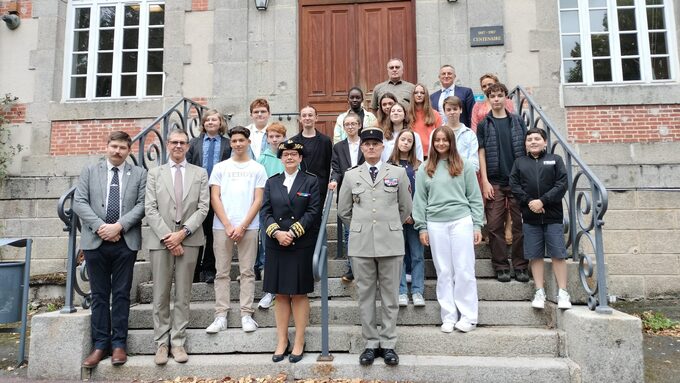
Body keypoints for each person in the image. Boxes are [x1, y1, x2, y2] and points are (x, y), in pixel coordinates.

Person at [338, 127, 412, 367]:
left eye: (375, 144)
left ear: (382, 147)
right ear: (361, 147)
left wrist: (387, 226)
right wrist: (364, 227)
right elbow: (343, 211)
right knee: (366, 297)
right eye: (366, 144)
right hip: (361, 245)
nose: (371, 147)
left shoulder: (398, 173)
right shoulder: (351, 175)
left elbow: (405, 208)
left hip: (390, 243)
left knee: (390, 297)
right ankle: (371, 343)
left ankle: (388, 343)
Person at [73, 131, 146, 368]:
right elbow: (79, 202)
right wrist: (101, 227)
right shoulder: (90, 171)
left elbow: (143, 205)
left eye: (122, 148)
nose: (117, 151)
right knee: (99, 295)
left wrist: (119, 227)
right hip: (95, 241)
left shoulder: (139, 174)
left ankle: (119, 345)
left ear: (129, 150)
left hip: (125, 243)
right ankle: (100, 345)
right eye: (114, 146)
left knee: (122, 294)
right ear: (107, 147)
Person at [145, 129, 210, 365]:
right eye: (174, 142)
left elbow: (204, 208)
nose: (178, 146)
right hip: (160, 241)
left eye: (183, 142)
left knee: (183, 294)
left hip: (190, 239)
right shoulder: (154, 173)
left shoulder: (200, 173)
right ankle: (161, 343)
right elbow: (150, 209)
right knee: (161, 293)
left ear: (188, 147)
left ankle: (178, 342)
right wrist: (168, 237)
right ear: (167, 144)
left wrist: (182, 234)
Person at [413, 126, 484, 333]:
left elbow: (474, 197)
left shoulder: (464, 165)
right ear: (433, 143)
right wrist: (422, 227)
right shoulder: (424, 168)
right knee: (443, 270)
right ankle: (449, 316)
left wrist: (477, 224)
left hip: (461, 220)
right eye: (437, 140)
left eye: (445, 140)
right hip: (436, 223)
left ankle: (469, 316)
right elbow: (420, 201)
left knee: (464, 268)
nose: (441, 143)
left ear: (451, 142)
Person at [261, 139, 321, 363]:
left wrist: (293, 233)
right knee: (280, 293)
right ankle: (282, 340)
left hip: (300, 244)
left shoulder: (310, 181)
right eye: (285, 154)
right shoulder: (272, 182)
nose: (289, 157)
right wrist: (277, 233)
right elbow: (265, 211)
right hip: (276, 244)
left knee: (298, 293)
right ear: (281, 158)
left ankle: (299, 340)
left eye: (293, 155)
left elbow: (313, 210)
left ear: (300, 158)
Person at [206, 126, 267, 334]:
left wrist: (242, 225)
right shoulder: (220, 167)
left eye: (242, 140)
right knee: (222, 272)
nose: (238, 144)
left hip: (249, 226)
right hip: (222, 225)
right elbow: (215, 197)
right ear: (230, 143)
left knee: (247, 272)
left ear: (248, 142)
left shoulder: (257, 168)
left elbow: (258, 199)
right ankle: (221, 314)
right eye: (234, 141)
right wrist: (228, 225)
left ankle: (246, 314)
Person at [509, 128, 571, 310]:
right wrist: (530, 202)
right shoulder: (519, 162)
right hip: (530, 216)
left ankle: (563, 292)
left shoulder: (555, 160)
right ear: (525, 144)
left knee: (558, 254)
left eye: (537, 139)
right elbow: (515, 185)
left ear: (545, 142)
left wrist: (542, 201)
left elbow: (562, 184)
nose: (533, 142)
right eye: (529, 139)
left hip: (552, 216)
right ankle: (539, 291)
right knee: (534, 255)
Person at [477, 83, 529, 283]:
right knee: (494, 224)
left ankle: (520, 265)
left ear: (506, 98)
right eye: (493, 96)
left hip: (516, 181)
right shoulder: (484, 124)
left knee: (519, 225)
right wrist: (485, 181)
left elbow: (524, 150)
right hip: (495, 181)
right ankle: (500, 266)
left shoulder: (517, 121)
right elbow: (481, 152)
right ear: (488, 99)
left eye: (500, 95)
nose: (496, 99)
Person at [186, 109, 232, 284]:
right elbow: (188, 166)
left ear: (220, 123)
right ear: (203, 124)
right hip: (197, 193)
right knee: (196, 230)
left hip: (219, 194)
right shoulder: (194, 143)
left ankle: (209, 269)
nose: (211, 122)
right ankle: (194, 269)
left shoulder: (228, 145)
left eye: (215, 119)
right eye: (207, 120)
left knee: (213, 232)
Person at [386, 129, 424, 308]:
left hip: (415, 218)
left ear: (413, 144)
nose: (406, 143)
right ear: (397, 142)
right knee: (398, 256)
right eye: (403, 139)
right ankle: (401, 291)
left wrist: (413, 215)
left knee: (417, 255)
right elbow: (387, 194)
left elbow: (423, 193)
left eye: (409, 140)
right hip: (396, 219)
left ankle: (417, 291)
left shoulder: (419, 165)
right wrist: (401, 214)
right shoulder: (388, 165)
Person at [329, 112, 366, 282]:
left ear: (359, 125)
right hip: (346, 192)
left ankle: (366, 266)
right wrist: (334, 181)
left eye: (353, 124)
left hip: (366, 192)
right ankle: (352, 268)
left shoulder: (366, 144)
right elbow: (336, 168)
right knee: (349, 231)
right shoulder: (338, 147)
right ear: (343, 128)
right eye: (347, 124)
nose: (350, 127)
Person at [255, 122, 287, 309]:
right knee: (268, 249)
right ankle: (270, 289)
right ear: (267, 139)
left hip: (287, 210)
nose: (275, 140)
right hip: (268, 210)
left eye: (278, 136)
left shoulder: (289, 155)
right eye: (272, 136)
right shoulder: (262, 159)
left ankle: (285, 286)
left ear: (283, 137)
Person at [291, 105, 333, 208]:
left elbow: (328, 165)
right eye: (304, 115)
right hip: (299, 187)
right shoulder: (293, 141)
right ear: (300, 119)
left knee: (317, 219)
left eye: (310, 115)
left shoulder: (325, 141)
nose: (307, 118)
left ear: (316, 118)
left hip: (319, 187)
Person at [443, 96, 479, 171]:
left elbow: (475, 164)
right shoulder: (437, 133)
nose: (452, 112)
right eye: (449, 110)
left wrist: (458, 171)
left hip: (464, 178)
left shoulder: (470, 134)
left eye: (455, 109)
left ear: (461, 110)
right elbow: (433, 160)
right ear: (444, 112)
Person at [408, 83, 442, 156]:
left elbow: (440, 135)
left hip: (431, 153)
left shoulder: (435, 114)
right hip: (412, 153)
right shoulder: (407, 114)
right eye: (416, 93)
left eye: (422, 93)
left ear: (426, 95)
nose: (419, 95)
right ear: (412, 95)